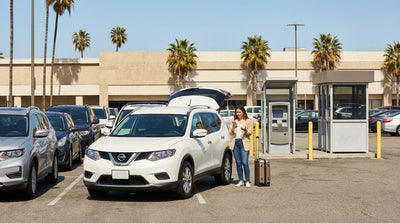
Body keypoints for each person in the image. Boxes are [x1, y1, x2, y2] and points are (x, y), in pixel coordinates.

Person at [229, 105, 253, 188]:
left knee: (245, 162)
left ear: (243, 112)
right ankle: (240, 180)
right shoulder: (234, 121)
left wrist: (245, 130)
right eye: (237, 112)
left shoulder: (248, 121)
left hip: (244, 143)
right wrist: (233, 128)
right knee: (238, 163)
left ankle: (247, 180)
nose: (238, 114)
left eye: (239, 112)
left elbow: (250, 132)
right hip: (236, 143)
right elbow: (230, 133)